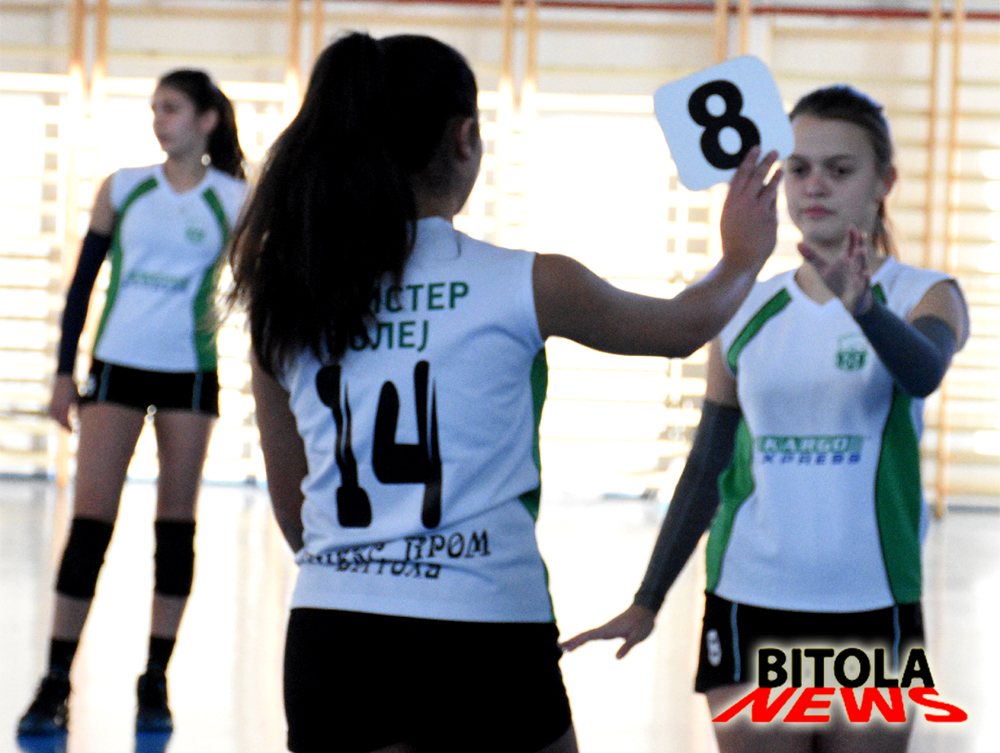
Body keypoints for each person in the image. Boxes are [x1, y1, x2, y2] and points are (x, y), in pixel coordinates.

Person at [229, 31, 781, 753]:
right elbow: (681, 327)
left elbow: (294, 505)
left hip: (334, 632)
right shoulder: (523, 281)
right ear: (465, 139)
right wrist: (741, 257)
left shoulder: (288, 300)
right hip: (484, 622)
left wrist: (371, 567)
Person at [561, 85, 970, 753]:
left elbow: (923, 369)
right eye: (799, 168)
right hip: (750, 597)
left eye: (840, 169)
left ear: (884, 182)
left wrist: (864, 310)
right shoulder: (746, 305)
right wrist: (648, 598)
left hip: (873, 601)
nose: (815, 185)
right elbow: (709, 461)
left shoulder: (923, 293)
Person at [17, 70, 247, 736]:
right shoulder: (123, 187)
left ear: (206, 119)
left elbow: (258, 286)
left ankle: (155, 678)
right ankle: (54, 681)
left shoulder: (235, 199)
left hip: (189, 376)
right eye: (154, 109)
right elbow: (82, 285)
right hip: (115, 368)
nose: (158, 120)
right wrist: (64, 373)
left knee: (175, 531)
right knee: (90, 526)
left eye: (171, 108)